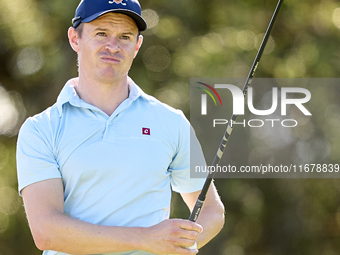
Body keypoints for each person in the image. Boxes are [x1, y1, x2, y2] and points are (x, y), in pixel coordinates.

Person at [16, 0, 225, 254]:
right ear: (75, 39)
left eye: (125, 36)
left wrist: (179, 245)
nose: (113, 46)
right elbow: (47, 231)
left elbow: (212, 211)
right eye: (101, 33)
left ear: (137, 46)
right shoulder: (40, 130)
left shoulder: (171, 122)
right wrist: (146, 239)